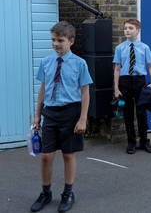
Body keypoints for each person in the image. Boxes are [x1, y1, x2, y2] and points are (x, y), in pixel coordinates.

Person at [30, 21, 92, 212]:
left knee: (68, 155)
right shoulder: (47, 62)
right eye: (53, 40)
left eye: (60, 40)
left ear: (71, 41)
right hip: (50, 113)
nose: (56, 44)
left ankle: (68, 193)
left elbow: (85, 92)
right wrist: (37, 115)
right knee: (46, 155)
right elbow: (43, 89)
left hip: (71, 114)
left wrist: (83, 118)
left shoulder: (80, 64)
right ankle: (46, 192)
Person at [113, 19, 151, 154]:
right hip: (125, 82)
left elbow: (150, 65)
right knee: (128, 114)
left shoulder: (144, 48)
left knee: (141, 113)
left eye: (131, 28)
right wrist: (116, 88)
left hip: (139, 81)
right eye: (125, 28)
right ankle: (131, 142)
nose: (127, 30)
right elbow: (117, 68)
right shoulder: (120, 48)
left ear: (137, 31)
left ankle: (144, 141)